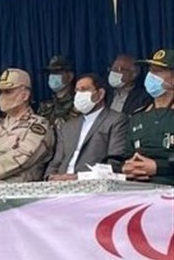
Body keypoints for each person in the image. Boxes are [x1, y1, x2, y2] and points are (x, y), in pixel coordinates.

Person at [45, 73, 128, 180]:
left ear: (100, 94)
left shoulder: (116, 120)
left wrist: (79, 177)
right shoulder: (67, 126)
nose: (79, 95)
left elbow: (115, 162)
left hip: (92, 183)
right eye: (77, 91)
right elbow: (56, 162)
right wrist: (49, 178)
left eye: (84, 90)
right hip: (61, 184)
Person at [122, 49, 174, 185]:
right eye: (150, 71)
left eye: (158, 72)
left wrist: (158, 167)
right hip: (138, 187)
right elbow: (126, 156)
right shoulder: (138, 116)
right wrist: (128, 167)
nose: (151, 76)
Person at [38, 55, 79, 128]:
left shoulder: (78, 103)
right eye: (51, 73)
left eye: (57, 72)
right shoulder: (45, 106)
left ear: (70, 76)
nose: (52, 76)